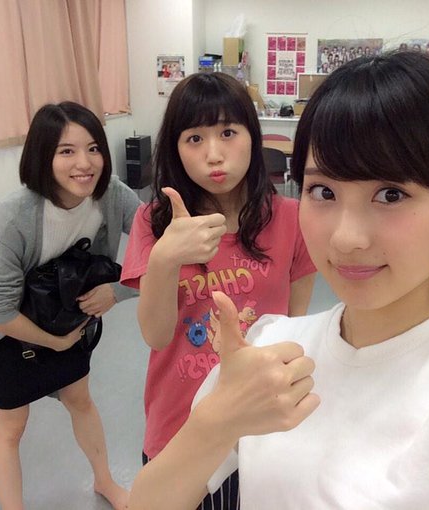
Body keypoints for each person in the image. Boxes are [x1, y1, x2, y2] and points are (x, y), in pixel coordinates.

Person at [127, 53, 429, 510]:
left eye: (391, 194)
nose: (346, 239)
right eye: (323, 191)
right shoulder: (270, 347)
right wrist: (215, 422)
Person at [120, 72, 316, 509]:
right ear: (175, 148)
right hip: (180, 427)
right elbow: (156, 335)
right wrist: (166, 257)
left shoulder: (292, 219)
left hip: (258, 425)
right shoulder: (154, 222)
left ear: (252, 136)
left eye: (228, 132)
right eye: (194, 138)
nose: (213, 154)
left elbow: (294, 329)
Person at [0, 101, 140, 510]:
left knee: (80, 400)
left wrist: (117, 291)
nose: (85, 163)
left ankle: (105, 481)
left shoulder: (112, 194)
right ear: (42, 156)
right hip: (10, 330)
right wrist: (55, 343)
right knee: (12, 425)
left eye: (93, 148)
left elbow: (158, 250)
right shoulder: (15, 213)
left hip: (66, 319)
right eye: (67, 151)